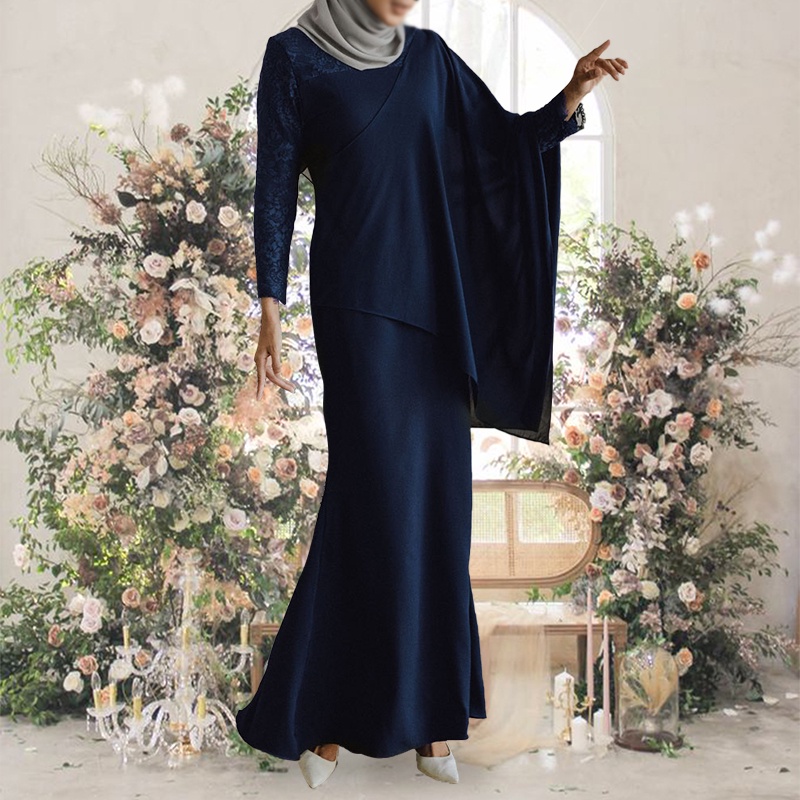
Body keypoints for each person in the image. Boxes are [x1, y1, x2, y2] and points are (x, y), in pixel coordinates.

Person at [235, 0, 627, 788]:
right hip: (358, 307)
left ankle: (432, 722)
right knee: (370, 502)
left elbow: (499, 147)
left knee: (436, 509)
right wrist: (269, 308)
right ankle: (326, 723)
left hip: (439, 311)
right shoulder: (295, 57)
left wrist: (568, 97)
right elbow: (275, 184)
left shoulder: (431, 58)